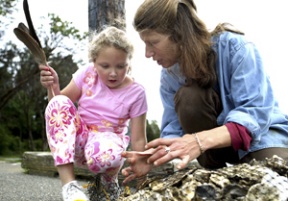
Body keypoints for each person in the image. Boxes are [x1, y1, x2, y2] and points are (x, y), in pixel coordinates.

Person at [121, 0, 288, 184]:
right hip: (213, 152)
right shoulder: (169, 76)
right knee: (189, 97)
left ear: (179, 34)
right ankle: (213, 175)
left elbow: (254, 113)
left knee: (272, 180)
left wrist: (199, 141)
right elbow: (173, 128)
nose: (147, 53)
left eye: (153, 42)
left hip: (261, 138)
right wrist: (156, 156)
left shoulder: (238, 47)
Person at [39, 26, 148, 201]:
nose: (113, 73)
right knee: (59, 102)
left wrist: (143, 178)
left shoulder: (136, 93)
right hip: (79, 140)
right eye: (105, 66)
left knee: (105, 156)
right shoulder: (87, 74)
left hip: (108, 143)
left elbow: (139, 139)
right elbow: (57, 108)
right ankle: (70, 187)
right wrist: (53, 86)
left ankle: (108, 182)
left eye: (121, 66)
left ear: (129, 63)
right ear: (94, 62)